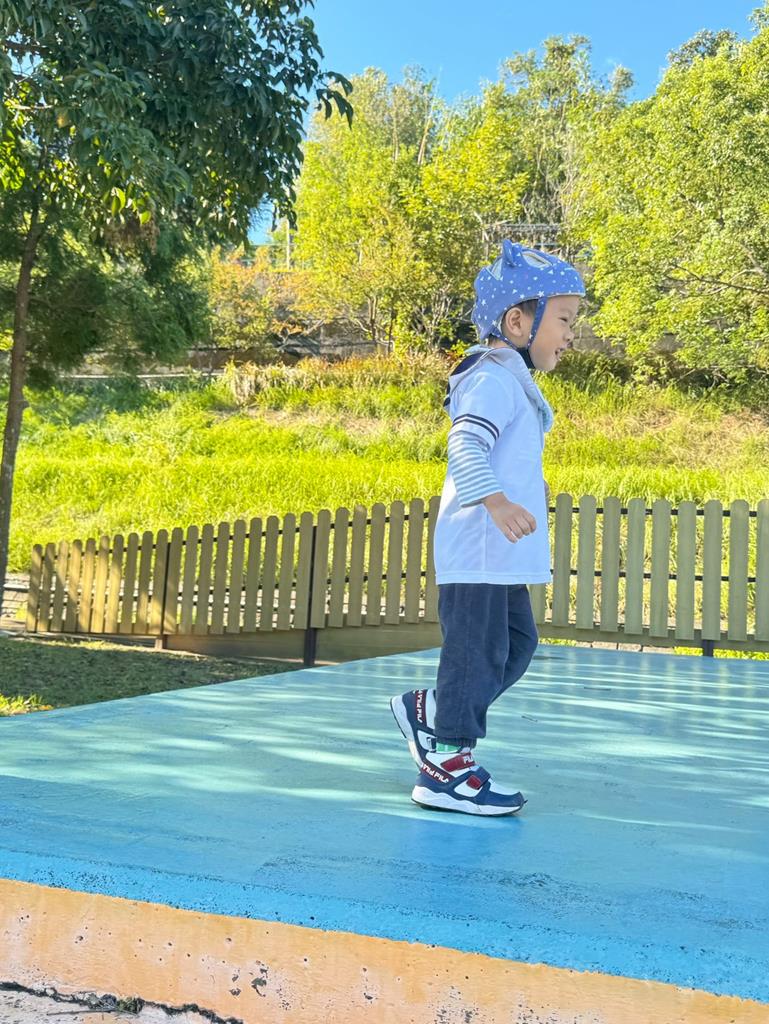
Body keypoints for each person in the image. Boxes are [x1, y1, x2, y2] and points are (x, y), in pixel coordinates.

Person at [390, 240, 585, 816]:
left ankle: (434, 709)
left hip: (497, 555)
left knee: (517, 645)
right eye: (564, 320)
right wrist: (496, 502)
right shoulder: (490, 378)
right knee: (476, 655)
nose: (571, 334)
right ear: (517, 321)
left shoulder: (511, 379)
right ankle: (446, 767)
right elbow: (465, 445)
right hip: (478, 547)